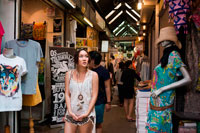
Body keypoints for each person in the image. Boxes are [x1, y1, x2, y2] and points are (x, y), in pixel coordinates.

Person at [146, 26, 191, 132]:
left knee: (161, 128)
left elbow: (188, 78)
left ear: (170, 40)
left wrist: (162, 89)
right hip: (156, 102)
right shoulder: (166, 55)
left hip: (164, 103)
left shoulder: (174, 55)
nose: (161, 42)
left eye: (163, 39)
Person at [64, 49, 99, 133]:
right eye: (81, 56)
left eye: (86, 56)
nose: (84, 59)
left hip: (86, 113)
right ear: (76, 59)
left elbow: (94, 95)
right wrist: (70, 112)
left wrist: (87, 113)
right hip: (71, 112)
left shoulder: (93, 75)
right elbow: (67, 94)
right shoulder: (69, 74)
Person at [89, 51, 111, 133]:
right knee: (88, 123)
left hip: (99, 102)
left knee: (98, 123)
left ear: (93, 61)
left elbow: (107, 87)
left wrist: (108, 102)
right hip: (87, 101)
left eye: (89, 59)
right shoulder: (87, 71)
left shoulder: (104, 71)